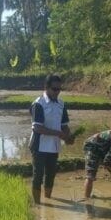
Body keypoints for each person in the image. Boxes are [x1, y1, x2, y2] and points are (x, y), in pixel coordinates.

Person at [29, 74, 73, 204]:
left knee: (51, 174)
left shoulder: (61, 103)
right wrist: (60, 134)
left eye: (59, 89)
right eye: (54, 89)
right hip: (39, 145)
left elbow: (64, 125)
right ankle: (38, 204)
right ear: (46, 88)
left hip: (53, 146)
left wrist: (68, 136)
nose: (57, 92)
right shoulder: (39, 104)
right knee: (38, 175)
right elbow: (38, 128)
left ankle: (48, 200)